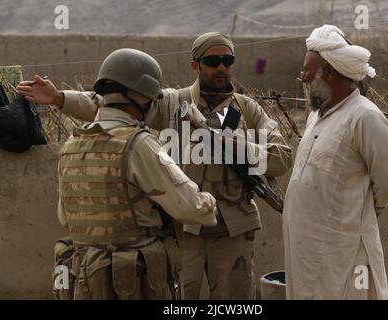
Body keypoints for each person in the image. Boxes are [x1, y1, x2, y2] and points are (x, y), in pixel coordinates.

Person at [17, 32, 292, 300]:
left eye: (227, 60)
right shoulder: (174, 103)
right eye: (212, 61)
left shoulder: (248, 111)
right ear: (195, 65)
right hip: (184, 230)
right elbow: (113, 104)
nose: (221, 67)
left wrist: (236, 146)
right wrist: (59, 98)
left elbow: (281, 157)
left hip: (235, 229)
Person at [20, 48, 218, 300]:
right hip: (131, 282)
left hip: (86, 280)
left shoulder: (72, 144)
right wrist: (211, 201)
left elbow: (65, 216)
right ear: (142, 97)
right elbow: (191, 208)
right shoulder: (139, 144)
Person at [283, 25, 388, 300]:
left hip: (343, 254)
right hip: (308, 255)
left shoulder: (365, 117)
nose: (301, 77)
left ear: (328, 72)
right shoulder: (318, 116)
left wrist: (354, 213)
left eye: (307, 70)